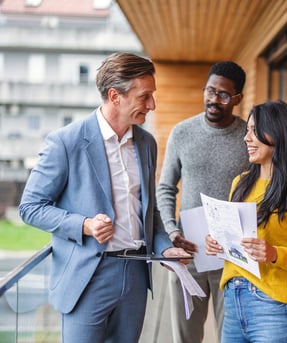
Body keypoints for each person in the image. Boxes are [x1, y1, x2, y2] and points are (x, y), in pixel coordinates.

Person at [19, 52, 191, 343]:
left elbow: (148, 211)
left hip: (136, 275)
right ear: (115, 96)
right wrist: (84, 224)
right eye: (145, 96)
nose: (152, 105)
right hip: (87, 278)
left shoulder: (146, 143)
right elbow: (30, 207)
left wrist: (165, 248)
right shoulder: (66, 142)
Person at [206, 100, 287, 342]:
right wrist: (216, 243)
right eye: (247, 130)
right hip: (232, 301)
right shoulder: (240, 183)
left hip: (274, 308)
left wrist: (273, 253)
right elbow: (234, 241)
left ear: (277, 133)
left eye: (254, 130)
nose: (246, 138)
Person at [156, 61, 250, 343]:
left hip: (232, 256)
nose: (213, 99)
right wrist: (172, 231)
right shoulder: (182, 132)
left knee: (230, 337)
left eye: (222, 95)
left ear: (237, 99)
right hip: (189, 253)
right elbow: (165, 187)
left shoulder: (249, 138)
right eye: (210, 91)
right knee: (185, 337)